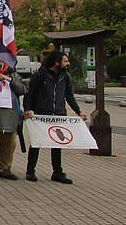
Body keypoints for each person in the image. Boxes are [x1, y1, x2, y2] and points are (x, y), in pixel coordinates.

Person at [24, 51, 85, 184]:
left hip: (58, 114)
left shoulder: (66, 77)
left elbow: (69, 96)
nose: (68, 63)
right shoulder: (40, 75)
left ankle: (57, 172)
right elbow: (30, 94)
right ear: (56, 62)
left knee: (57, 143)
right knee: (37, 142)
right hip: (41, 114)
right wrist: (28, 109)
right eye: (65, 61)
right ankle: (30, 170)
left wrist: (78, 111)